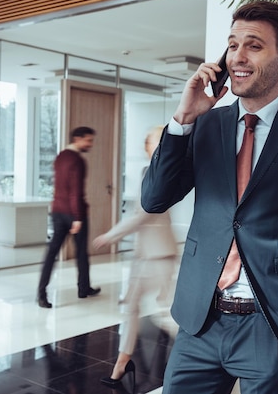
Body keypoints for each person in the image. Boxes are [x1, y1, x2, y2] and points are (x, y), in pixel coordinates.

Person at [141, 1, 278, 394]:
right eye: (232, 44)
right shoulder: (205, 125)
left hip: (271, 328)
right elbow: (154, 199)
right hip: (199, 324)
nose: (238, 56)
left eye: (253, 45)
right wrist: (183, 120)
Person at [93, 126, 178, 390]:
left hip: (158, 255)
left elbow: (144, 214)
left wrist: (111, 235)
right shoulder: (149, 171)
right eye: (152, 141)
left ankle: (204, 354)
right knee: (134, 306)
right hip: (148, 255)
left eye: (157, 141)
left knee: (165, 315)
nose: (152, 146)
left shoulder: (164, 173)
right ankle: (123, 360)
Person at [37, 126, 101, 308]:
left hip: (57, 211)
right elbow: (75, 191)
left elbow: (59, 186)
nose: (90, 144)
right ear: (77, 139)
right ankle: (83, 288)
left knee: (51, 254)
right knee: (81, 252)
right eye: (88, 140)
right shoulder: (77, 160)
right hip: (74, 214)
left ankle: (41, 294)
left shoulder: (60, 157)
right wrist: (78, 218)